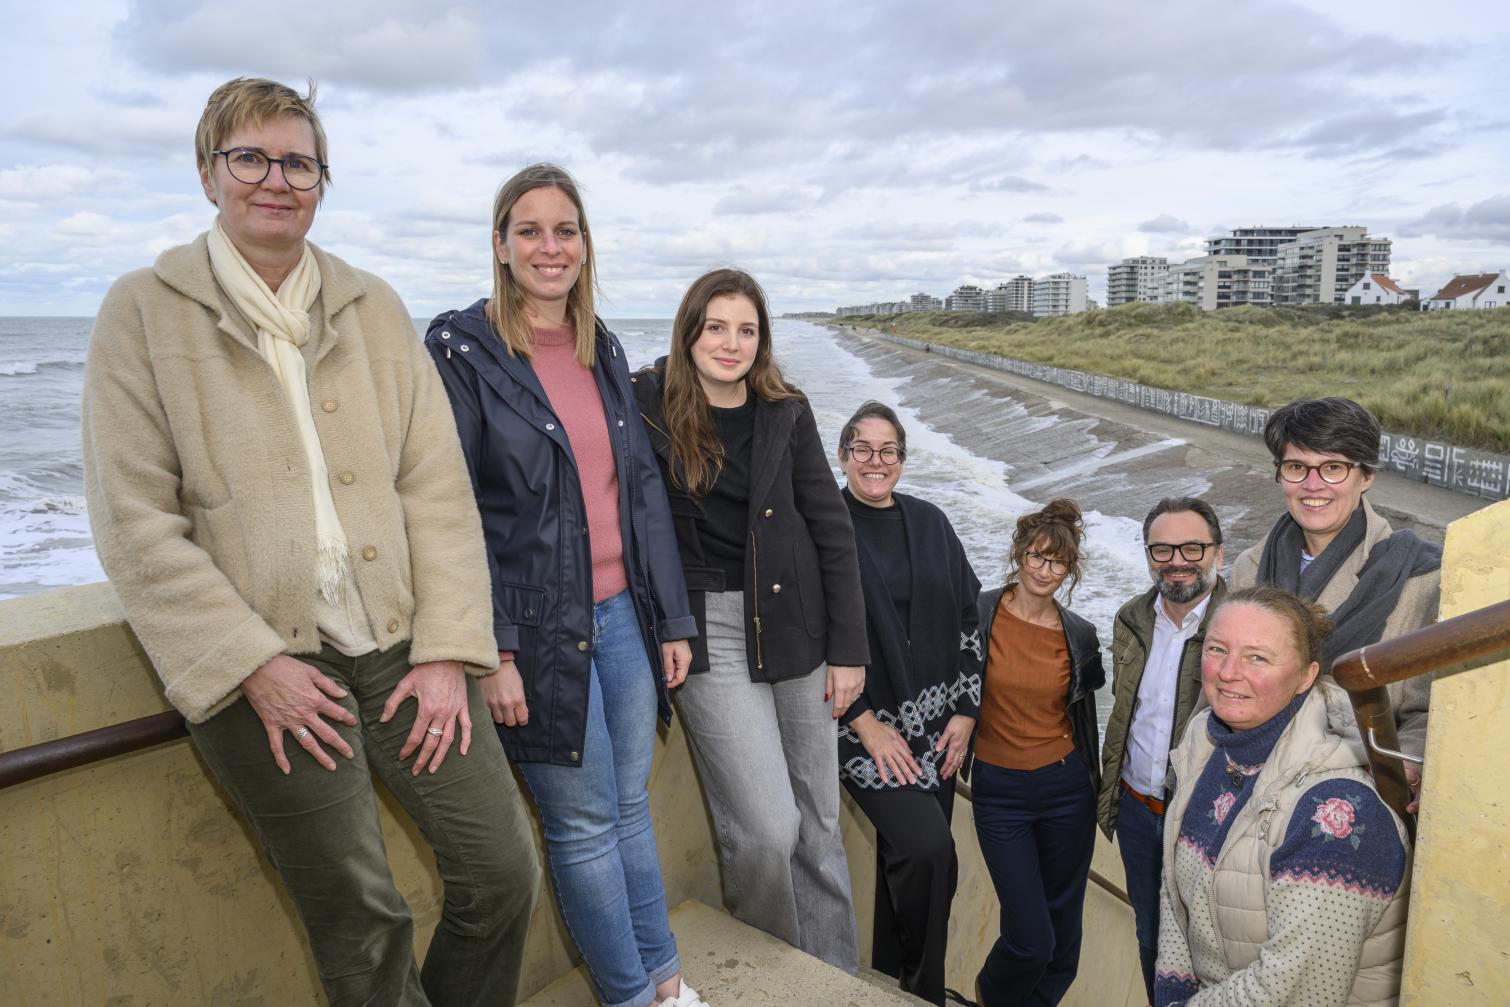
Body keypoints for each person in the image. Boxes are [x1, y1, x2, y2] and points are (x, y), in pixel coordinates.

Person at [81, 77, 539, 1005]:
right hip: (266, 663)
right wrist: (251, 664)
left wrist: (447, 650)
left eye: (298, 163)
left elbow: (436, 490)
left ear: (322, 182)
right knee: (363, 923)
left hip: (404, 646)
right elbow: (134, 521)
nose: (274, 180)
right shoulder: (142, 310)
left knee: (502, 872)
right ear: (208, 173)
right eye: (249, 157)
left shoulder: (373, 305)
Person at [425, 163, 705, 1007]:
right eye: (530, 230)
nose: (550, 247)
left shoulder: (601, 346)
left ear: (584, 245)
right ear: (501, 245)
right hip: (537, 632)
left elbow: (641, 489)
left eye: (565, 230)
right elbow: (451, 507)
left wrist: (672, 619)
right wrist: (495, 648)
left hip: (624, 617)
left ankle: (667, 984)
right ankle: (628, 996)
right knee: (582, 827)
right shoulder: (462, 351)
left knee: (628, 809)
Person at [632, 268, 868, 972]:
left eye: (746, 330)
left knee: (819, 821)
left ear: (762, 341)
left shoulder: (785, 411)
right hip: (710, 630)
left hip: (798, 622)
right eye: (716, 327)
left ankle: (834, 978)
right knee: (767, 829)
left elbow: (832, 529)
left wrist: (849, 649)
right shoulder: (647, 403)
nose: (730, 343)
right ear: (689, 331)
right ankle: (776, 970)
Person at [1154, 587, 1410, 1006]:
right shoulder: (1207, 744)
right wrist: (1171, 990)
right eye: (1217, 649)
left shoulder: (1338, 814)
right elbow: (1176, 892)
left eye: (1257, 657)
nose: (1228, 672)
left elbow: (1293, 991)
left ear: (1306, 677)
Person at [834, 400, 983, 1006]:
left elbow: (970, 616)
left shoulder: (931, 522)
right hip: (861, 728)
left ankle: (891, 981)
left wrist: (967, 712)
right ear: (842, 456)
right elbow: (808, 633)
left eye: (888, 450)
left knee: (911, 865)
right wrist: (864, 722)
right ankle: (923, 994)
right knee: (928, 852)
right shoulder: (823, 525)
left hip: (940, 729)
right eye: (863, 449)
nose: (876, 461)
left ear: (901, 459)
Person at [1231, 397, 1440, 809]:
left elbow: (1430, 710)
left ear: (1366, 476)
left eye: (1333, 468)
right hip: (1247, 788)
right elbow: (1221, 682)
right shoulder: (1249, 568)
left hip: (1351, 798)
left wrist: (1410, 765)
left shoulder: (1419, 578)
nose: (1313, 486)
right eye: (1297, 467)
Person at [972, 499, 1104, 1007]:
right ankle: (991, 995)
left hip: (1066, 790)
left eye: (1058, 563)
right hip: (999, 790)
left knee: (1063, 929)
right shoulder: (979, 612)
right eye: (1037, 557)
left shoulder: (1080, 635)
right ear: (1019, 553)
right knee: (1030, 939)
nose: (1045, 570)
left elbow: (1084, 718)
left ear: (1070, 571)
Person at [1097, 497, 1228, 1005]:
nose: (1177, 561)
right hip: (1137, 810)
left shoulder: (1240, 625)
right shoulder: (1132, 617)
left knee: (1212, 952)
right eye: (1162, 549)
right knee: (1151, 938)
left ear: (1218, 552)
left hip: (1204, 818)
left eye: (1192, 547)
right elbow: (1128, 711)